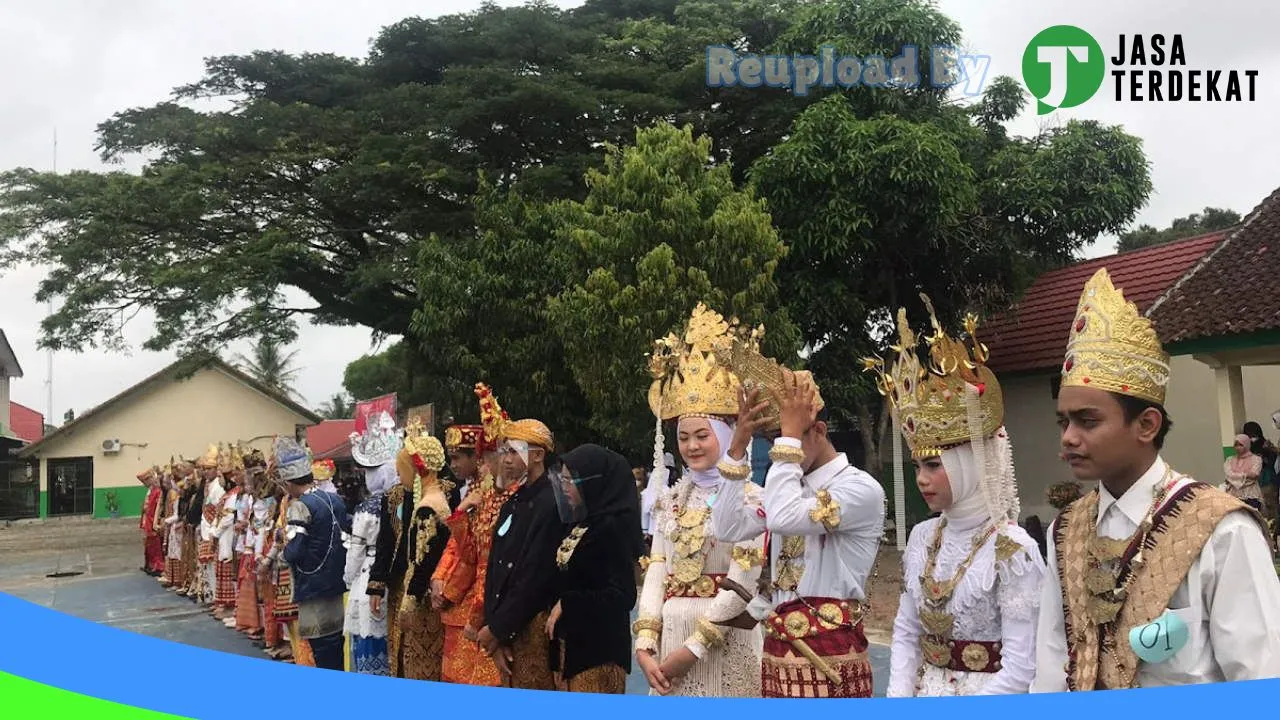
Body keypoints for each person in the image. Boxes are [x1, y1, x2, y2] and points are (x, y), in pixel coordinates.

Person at [1033, 268, 1280, 692]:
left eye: (1087, 421)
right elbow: (1052, 665)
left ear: (1147, 425)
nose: (1069, 438)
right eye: (1063, 422)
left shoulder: (1221, 530)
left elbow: (1261, 682)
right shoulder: (1066, 530)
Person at [865, 300, 1044, 697]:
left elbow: (1022, 667)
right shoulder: (923, 537)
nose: (922, 480)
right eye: (917, 468)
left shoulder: (1013, 549)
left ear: (969, 464)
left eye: (933, 466)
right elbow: (907, 631)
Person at [714, 321, 887, 699]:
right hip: (778, 651)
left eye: (789, 437)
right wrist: (738, 448)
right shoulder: (785, 487)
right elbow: (726, 526)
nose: (779, 450)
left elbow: (784, 517)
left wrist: (788, 440)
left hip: (831, 654)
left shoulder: (859, 489)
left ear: (820, 431)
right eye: (773, 440)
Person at [634, 303, 767, 698]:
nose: (691, 446)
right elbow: (657, 569)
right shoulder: (670, 500)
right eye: (684, 437)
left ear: (725, 436)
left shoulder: (752, 498)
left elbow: (743, 583)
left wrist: (691, 651)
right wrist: (645, 646)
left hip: (726, 644)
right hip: (668, 642)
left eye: (702, 435)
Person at [546, 443, 644, 693]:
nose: (565, 487)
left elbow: (623, 595)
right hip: (571, 645)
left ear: (593, 483)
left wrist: (569, 603)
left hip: (599, 652)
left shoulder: (613, 527)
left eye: (571, 481)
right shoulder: (581, 522)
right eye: (563, 480)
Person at [432, 383, 512, 687]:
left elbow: (480, 558)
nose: (497, 461)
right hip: (465, 602)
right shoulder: (482, 496)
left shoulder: (505, 497)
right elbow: (460, 549)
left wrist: (452, 590)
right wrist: (440, 578)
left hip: (486, 604)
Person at [478, 416, 566, 690]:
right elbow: (496, 566)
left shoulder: (552, 503)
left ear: (538, 455)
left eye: (514, 451)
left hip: (534, 627)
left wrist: (498, 629)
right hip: (507, 627)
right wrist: (497, 632)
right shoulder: (514, 502)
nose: (505, 459)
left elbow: (535, 574)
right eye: (504, 451)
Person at [279, 436, 351, 672]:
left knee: (321, 647)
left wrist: (281, 556)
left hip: (312, 584)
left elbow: (295, 549)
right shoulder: (335, 499)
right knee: (335, 644)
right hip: (336, 582)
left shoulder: (299, 505)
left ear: (289, 482)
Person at [396, 419, 456, 681]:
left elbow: (424, 559)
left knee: (420, 665)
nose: (400, 477)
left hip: (422, 602)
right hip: (429, 596)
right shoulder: (438, 500)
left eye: (402, 470)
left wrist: (409, 600)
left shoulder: (427, 507)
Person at [344, 454, 399, 676]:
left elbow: (356, 550)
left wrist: (348, 576)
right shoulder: (402, 499)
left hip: (368, 575)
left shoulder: (367, 508)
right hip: (394, 575)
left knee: (368, 634)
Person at [1243, 421, 1279, 523]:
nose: (1252, 437)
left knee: (1270, 505)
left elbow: (1273, 461)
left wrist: (1265, 455)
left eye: (1254, 434)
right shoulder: (1246, 448)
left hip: (1267, 480)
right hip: (1255, 482)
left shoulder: (1267, 445)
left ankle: (1274, 528)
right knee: (1258, 506)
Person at [1224, 434, 1264, 512]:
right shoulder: (1229, 460)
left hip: (1251, 495)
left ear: (1247, 445)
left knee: (1253, 520)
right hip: (1233, 495)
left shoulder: (1256, 459)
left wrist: (1234, 478)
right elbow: (1228, 475)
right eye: (1236, 445)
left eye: (1241, 445)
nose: (1238, 448)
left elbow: (1254, 474)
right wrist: (1246, 475)